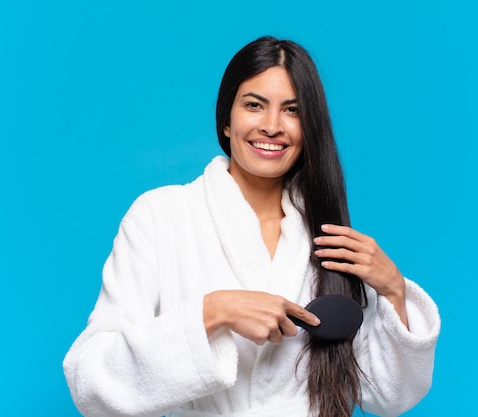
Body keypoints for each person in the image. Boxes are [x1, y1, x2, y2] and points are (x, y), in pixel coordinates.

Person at [63, 36, 440, 417]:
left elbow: (389, 397)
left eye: (292, 110)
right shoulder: (161, 216)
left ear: (309, 128)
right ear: (226, 121)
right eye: (254, 105)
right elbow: (91, 384)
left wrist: (393, 291)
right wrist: (212, 313)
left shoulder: (327, 236)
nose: (272, 126)